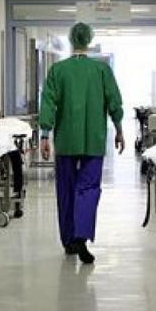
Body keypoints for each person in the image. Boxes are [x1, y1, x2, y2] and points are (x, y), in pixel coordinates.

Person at [39, 22, 125, 264]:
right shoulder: (101, 70)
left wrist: (44, 135)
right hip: (93, 141)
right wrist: (119, 129)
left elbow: (48, 103)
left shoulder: (58, 70)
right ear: (89, 41)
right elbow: (114, 102)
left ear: (71, 40)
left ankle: (69, 241)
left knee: (66, 191)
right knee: (88, 189)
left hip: (66, 141)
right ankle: (81, 236)